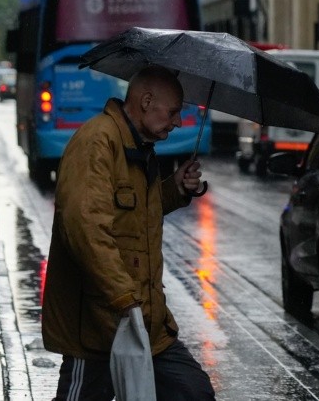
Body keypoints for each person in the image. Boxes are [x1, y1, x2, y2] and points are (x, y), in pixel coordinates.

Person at [42, 65, 215, 400]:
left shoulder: (140, 147)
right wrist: (124, 298)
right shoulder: (97, 142)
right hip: (97, 325)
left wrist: (174, 188)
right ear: (147, 101)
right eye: (174, 112)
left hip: (146, 323)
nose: (178, 122)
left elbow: (134, 215)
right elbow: (86, 228)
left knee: (192, 393)